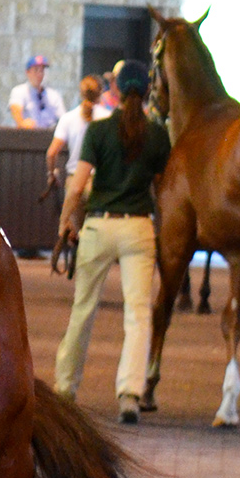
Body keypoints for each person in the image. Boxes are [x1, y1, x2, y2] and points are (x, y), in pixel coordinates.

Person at [53, 58, 171, 423]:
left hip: (99, 227)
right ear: (148, 89)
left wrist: (64, 225)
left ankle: (64, 390)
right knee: (138, 315)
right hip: (138, 228)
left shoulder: (99, 132)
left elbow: (76, 186)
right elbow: (164, 189)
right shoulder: (157, 135)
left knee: (83, 310)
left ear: (115, 90)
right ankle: (130, 395)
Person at [44, 74, 104, 185]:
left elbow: (51, 153)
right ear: (100, 93)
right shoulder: (107, 117)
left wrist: (51, 174)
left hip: (75, 180)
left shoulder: (68, 118)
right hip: (99, 182)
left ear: (81, 93)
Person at [8, 53, 64, 134]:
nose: (39, 74)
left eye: (42, 70)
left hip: (47, 137)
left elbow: (63, 118)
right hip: (27, 138)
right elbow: (16, 110)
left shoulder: (53, 95)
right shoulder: (19, 91)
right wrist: (22, 123)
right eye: (36, 70)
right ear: (28, 72)